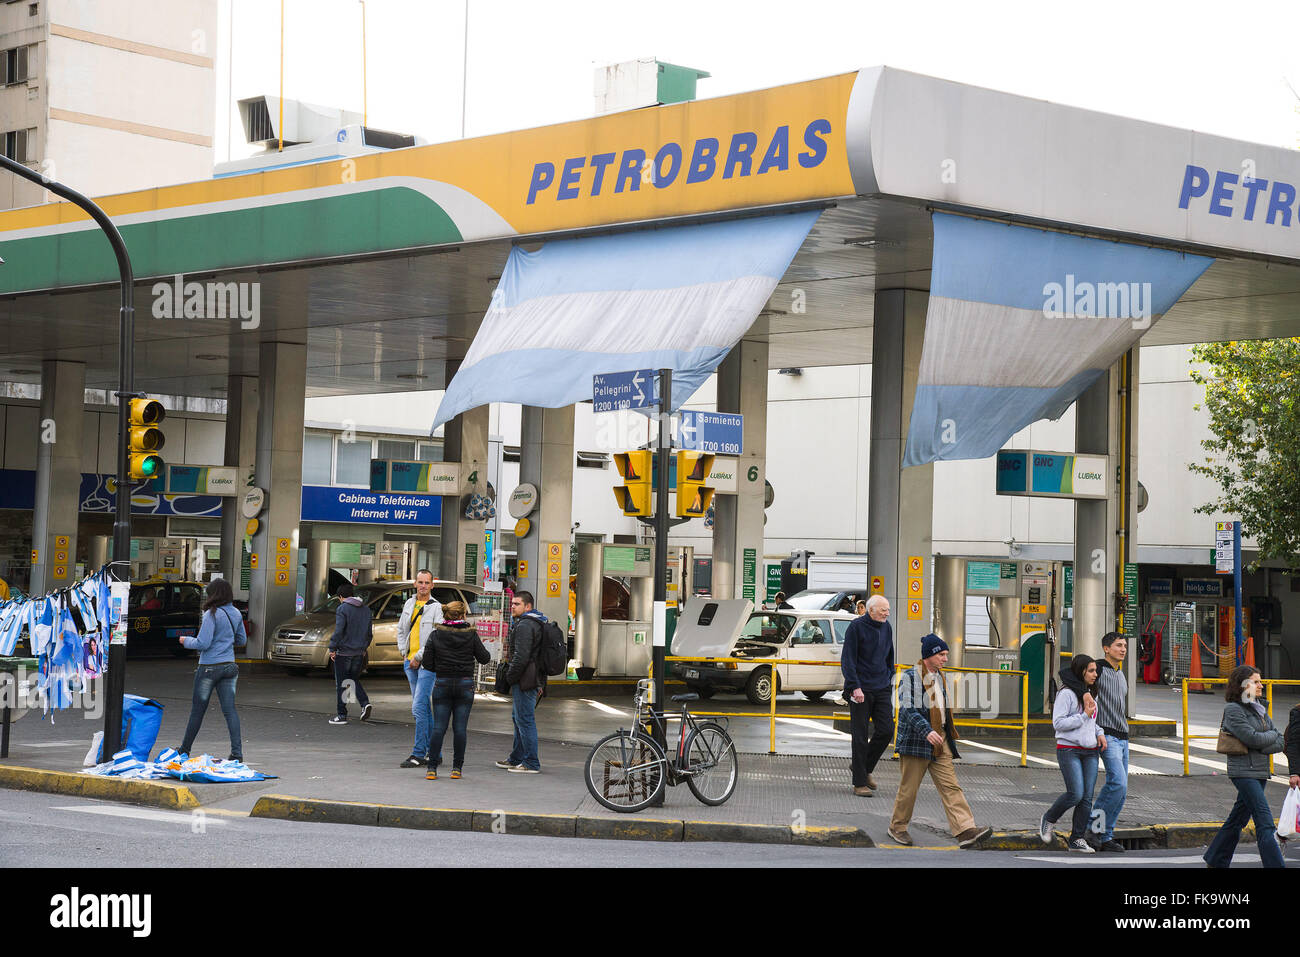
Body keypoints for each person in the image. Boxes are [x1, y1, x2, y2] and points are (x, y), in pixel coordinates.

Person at [888, 634, 992, 848]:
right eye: (941, 654)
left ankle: (965, 830)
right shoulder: (911, 677)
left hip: (940, 739)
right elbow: (907, 709)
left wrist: (943, 732)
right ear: (929, 655)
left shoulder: (939, 676)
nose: (946, 658)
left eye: (946, 654)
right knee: (909, 789)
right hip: (917, 741)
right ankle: (897, 828)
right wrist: (926, 731)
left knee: (951, 786)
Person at [1203, 665, 1287, 868]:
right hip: (1243, 772)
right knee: (1265, 822)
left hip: (1259, 770)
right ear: (1243, 685)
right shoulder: (1233, 709)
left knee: (1238, 819)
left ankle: (1216, 860)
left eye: (1260, 681)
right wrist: (1266, 740)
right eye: (1256, 681)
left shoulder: (1259, 708)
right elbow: (1252, 738)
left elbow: (1280, 740)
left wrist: (1262, 743)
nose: (1261, 685)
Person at [1040, 655, 1106, 853]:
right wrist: (1083, 715)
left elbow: (1092, 723)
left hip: (1090, 751)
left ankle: (1076, 839)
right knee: (1075, 793)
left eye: (1096, 671)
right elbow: (1058, 723)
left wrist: (1099, 733)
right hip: (1069, 749)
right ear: (1081, 671)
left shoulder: (1092, 693)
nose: (1096, 675)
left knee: (1086, 798)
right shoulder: (1066, 694)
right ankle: (1049, 818)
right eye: (1091, 671)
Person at [176, 578, 246, 761]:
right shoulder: (236, 613)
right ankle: (237, 753)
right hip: (230, 666)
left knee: (197, 711)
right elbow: (242, 640)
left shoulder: (211, 614)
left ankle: (184, 750)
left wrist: (185, 641)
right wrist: (225, 642)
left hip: (209, 667)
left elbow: (203, 643)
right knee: (230, 711)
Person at [423, 600, 490, 780]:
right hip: (464, 684)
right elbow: (485, 658)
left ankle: (431, 769)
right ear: (462, 616)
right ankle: (456, 769)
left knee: (439, 728)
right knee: (460, 729)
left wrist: (442, 665)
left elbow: (427, 663)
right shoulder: (471, 635)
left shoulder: (435, 635)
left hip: (442, 683)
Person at [841, 594, 895, 796]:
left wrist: (889, 676)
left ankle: (863, 768)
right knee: (860, 736)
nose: (887, 613)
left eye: (887, 610)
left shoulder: (887, 627)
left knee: (887, 730)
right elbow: (848, 659)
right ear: (871, 610)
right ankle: (859, 783)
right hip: (860, 689)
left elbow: (889, 655)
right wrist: (855, 686)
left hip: (881, 686)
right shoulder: (856, 628)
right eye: (883, 610)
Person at [496, 590, 547, 774]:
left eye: (517, 604)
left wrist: (510, 677)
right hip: (531, 677)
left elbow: (521, 656)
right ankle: (516, 758)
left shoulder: (526, 625)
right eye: (512, 603)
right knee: (518, 718)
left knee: (524, 720)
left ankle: (531, 762)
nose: (513, 607)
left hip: (526, 679)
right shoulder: (536, 622)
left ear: (528, 606)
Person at [396, 570, 442, 768]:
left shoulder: (436, 608)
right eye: (420, 582)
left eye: (427, 582)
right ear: (415, 583)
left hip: (427, 665)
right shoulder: (409, 604)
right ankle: (435, 753)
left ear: (432, 585)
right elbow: (401, 629)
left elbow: (435, 638)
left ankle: (418, 753)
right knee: (424, 709)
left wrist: (418, 657)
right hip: (409, 663)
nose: (423, 585)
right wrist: (403, 651)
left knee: (418, 708)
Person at [1091, 632, 1130, 852]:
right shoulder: (1098, 668)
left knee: (1121, 790)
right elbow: (1071, 676)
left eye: (1124, 645)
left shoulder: (1120, 674)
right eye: (1118, 645)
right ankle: (1093, 830)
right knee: (1117, 783)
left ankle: (1106, 835)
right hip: (1107, 735)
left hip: (1123, 737)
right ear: (1106, 648)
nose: (1123, 649)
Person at [327, 581, 373, 725]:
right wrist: (363, 648)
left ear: (341, 597)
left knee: (342, 683)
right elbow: (369, 634)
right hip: (359, 652)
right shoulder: (366, 609)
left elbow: (339, 630)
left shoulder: (343, 608)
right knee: (352, 679)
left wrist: (332, 648)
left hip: (344, 652)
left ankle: (342, 715)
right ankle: (365, 703)